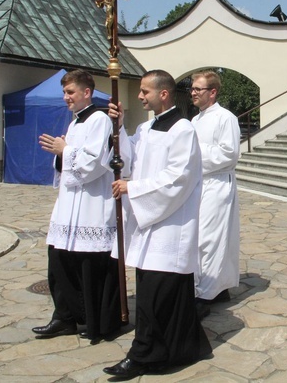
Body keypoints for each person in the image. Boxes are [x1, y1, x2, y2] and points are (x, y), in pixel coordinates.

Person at [104, 70, 212, 378]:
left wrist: (132, 189)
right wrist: (119, 125)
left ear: (163, 93)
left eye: (144, 91)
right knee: (159, 294)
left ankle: (143, 356)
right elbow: (126, 157)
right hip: (148, 221)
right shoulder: (147, 127)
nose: (139, 96)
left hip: (171, 224)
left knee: (159, 296)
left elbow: (178, 179)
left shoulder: (183, 130)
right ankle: (182, 348)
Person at [33, 70, 121, 342]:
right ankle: (64, 317)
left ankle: (93, 321)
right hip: (69, 205)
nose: (66, 98)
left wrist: (65, 151)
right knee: (59, 261)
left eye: (70, 92)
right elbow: (67, 165)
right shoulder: (75, 123)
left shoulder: (100, 120)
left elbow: (95, 164)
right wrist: (62, 153)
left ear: (87, 92)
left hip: (91, 205)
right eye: (64, 93)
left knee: (87, 265)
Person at [190, 70, 241, 314]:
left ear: (212, 92)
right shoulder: (194, 120)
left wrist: (195, 154)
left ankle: (206, 293)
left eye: (198, 89)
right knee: (200, 238)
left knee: (210, 238)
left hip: (217, 183)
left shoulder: (225, 117)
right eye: (192, 88)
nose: (193, 92)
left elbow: (229, 153)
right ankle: (218, 288)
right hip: (200, 184)